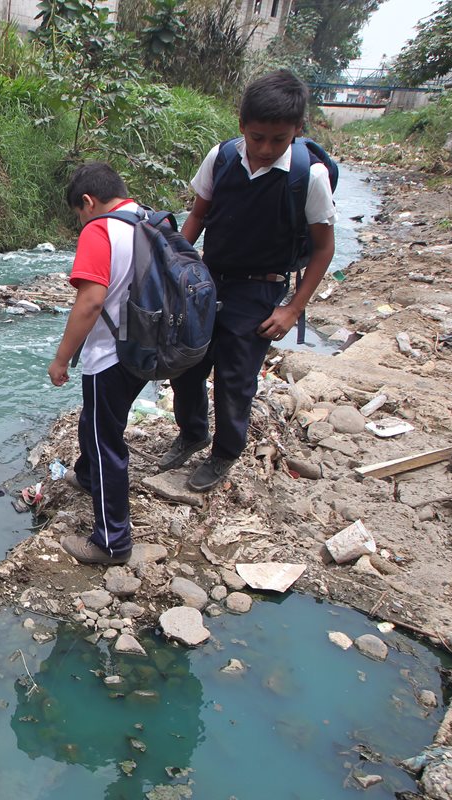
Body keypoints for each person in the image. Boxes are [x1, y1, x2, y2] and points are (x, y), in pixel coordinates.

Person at [159, 69, 335, 492]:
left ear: (297, 129)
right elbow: (198, 216)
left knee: (236, 379)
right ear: (242, 126)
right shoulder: (221, 158)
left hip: (261, 288)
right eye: (257, 137)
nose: (266, 148)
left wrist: (292, 308)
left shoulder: (308, 177)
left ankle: (225, 452)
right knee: (186, 364)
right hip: (206, 281)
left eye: (278, 140)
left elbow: (324, 248)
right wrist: (172, 269)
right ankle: (193, 432)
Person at [47, 162, 149, 565]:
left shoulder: (100, 229)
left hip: (110, 355)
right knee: (96, 421)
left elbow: (89, 302)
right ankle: (87, 477)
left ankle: (111, 543)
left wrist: (61, 360)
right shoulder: (147, 219)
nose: (80, 222)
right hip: (147, 349)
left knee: (106, 441)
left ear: (87, 202)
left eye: (78, 214)